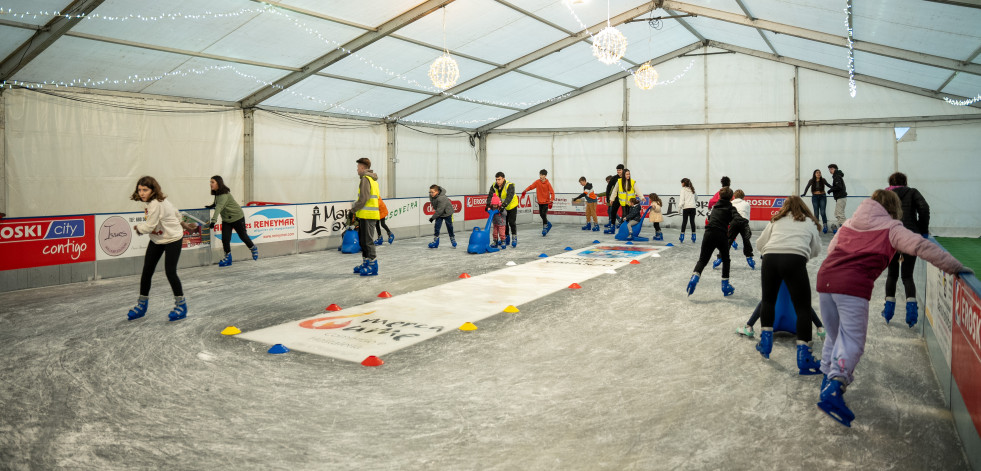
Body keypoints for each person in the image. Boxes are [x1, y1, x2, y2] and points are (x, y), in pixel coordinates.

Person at [815, 190, 970, 427]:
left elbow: (831, 250)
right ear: (893, 208)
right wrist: (954, 266)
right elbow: (920, 246)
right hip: (852, 285)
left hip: (826, 280)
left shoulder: (848, 223)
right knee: (852, 341)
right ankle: (835, 388)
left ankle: (826, 382)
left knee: (834, 336)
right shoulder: (891, 227)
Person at [751, 195, 823, 375]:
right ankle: (804, 357)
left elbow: (760, 244)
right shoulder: (809, 222)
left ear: (786, 207)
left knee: (768, 301)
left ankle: (766, 344)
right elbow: (816, 250)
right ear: (804, 207)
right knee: (802, 308)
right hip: (795, 260)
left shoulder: (776, 220)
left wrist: (772, 250)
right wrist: (801, 252)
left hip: (770, 259)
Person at [127, 176, 187, 322]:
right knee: (147, 270)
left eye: (145, 190)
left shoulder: (156, 204)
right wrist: (184, 224)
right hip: (158, 239)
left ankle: (181, 305)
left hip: (173, 238)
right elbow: (175, 211)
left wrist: (138, 227)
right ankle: (142, 305)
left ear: (153, 190)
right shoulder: (156, 202)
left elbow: (149, 226)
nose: (141, 193)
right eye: (139, 190)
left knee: (170, 272)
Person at [882, 172, 931, 327]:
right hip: (910, 235)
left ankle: (888, 311)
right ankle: (912, 313)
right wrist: (921, 229)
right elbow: (924, 208)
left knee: (892, 274)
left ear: (890, 182)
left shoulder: (885, 194)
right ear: (905, 182)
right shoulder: (912, 192)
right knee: (907, 276)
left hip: (892, 237)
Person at [685, 187, 737, 297]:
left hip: (708, 233)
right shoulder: (731, 208)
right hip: (721, 235)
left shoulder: (714, 207)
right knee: (726, 259)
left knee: (703, 260)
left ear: (719, 196)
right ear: (731, 198)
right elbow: (736, 220)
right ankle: (725, 285)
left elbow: (708, 218)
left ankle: (694, 277)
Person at [207, 175, 258, 267]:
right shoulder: (217, 193)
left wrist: (213, 221)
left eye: (212, 182)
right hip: (227, 219)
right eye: (210, 182)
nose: (210, 184)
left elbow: (219, 207)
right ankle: (228, 258)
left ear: (218, 183)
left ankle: (253, 248)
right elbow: (217, 203)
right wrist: (211, 205)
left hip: (237, 217)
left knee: (243, 236)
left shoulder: (224, 194)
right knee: (225, 239)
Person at [352, 158, 380, 276]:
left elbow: (364, 199)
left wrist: (353, 210)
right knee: (363, 241)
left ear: (363, 167)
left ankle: (373, 265)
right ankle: (366, 262)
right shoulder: (370, 179)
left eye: (358, 167)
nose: (357, 169)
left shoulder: (366, 179)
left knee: (368, 241)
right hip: (364, 214)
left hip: (369, 215)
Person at [737, 302, 825, 340]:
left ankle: (749, 326)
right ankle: (820, 327)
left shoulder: (772, 266)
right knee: (803, 300)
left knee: (766, 300)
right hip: (796, 325)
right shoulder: (797, 267)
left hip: (771, 323)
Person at [715, 189, 755, 269]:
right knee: (746, 240)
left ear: (734, 196)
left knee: (728, 240)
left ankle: (720, 258)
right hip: (744, 222)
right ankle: (749, 257)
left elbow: (727, 215)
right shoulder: (746, 204)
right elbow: (747, 215)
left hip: (734, 222)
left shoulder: (731, 203)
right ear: (743, 197)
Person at [485, 172, 519, 247]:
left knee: (512, 222)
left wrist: (504, 205)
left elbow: (510, 196)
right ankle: (506, 238)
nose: (497, 181)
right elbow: (490, 196)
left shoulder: (509, 185)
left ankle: (514, 237)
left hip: (511, 206)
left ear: (503, 179)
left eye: (499, 179)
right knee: (504, 223)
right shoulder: (494, 186)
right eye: (496, 179)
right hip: (502, 207)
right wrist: (488, 205)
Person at [521, 169, 555, 237]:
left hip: (546, 202)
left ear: (545, 176)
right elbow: (531, 186)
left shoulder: (548, 183)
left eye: (542, 175)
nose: (541, 176)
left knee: (543, 214)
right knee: (541, 215)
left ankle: (545, 228)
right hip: (540, 202)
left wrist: (551, 200)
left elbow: (552, 192)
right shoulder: (537, 182)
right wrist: (526, 190)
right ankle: (548, 224)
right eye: (540, 174)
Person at [428, 184, 456, 248]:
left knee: (449, 226)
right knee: (437, 226)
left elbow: (440, 210)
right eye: (430, 192)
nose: (431, 194)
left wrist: (432, 218)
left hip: (447, 213)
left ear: (437, 192)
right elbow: (437, 208)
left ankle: (452, 239)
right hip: (439, 213)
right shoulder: (431, 196)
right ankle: (436, 241)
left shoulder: (442, 198)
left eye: (432, 192)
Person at [828, 164, 847, 233]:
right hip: (840, 198)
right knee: (837, 213)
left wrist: (831, 190)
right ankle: (842, 228)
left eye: (830, 169)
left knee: (840, 214)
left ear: (834, 169)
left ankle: (845, 230)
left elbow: (839, 187)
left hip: (841, 197)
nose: (829, 171)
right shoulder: (837, 176)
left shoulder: (837, 177)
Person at [604, 165, 625, 229]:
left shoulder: (626, 177)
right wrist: (608, 198)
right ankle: (612, 225)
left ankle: (622, 224)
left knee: (625, 212)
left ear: (623, 170)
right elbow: (609, 188)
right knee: (613, 211)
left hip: (624, 198)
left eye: (620, 170)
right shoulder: (614, 178)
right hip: (616, 198)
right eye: (617, 170)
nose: (618, 171)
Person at [679, 178, 698, 243]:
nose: (681, 184)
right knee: (692, 222)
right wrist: (693, 202)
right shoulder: (692, 189)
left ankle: (682, 236)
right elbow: (696, 197)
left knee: (684, 222)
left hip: (686, 207)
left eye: (682, 183)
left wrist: (679, 207)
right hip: (693, 207)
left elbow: (682, 200)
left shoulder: (683, 190)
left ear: (684, 183)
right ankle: (694, 236)